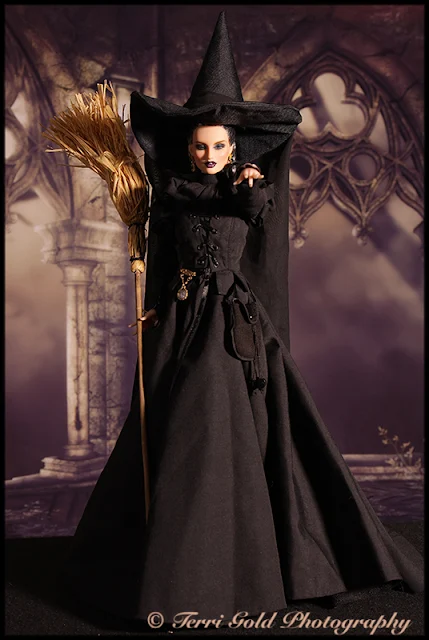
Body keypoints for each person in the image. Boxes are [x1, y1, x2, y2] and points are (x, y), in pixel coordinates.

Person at [58, 11, 424, 626]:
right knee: (168, 427)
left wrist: (246, 183)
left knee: (221, 421)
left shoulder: (249, 191)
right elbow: (163, 251)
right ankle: (172, 564)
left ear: (234, 149)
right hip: (181, 318)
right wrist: (149, 289)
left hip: (232, 328)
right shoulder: (171, 197)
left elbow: (255, 218)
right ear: (189, 147)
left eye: (219, 147)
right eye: (200, 147)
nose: (209, 156)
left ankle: (231, 566)